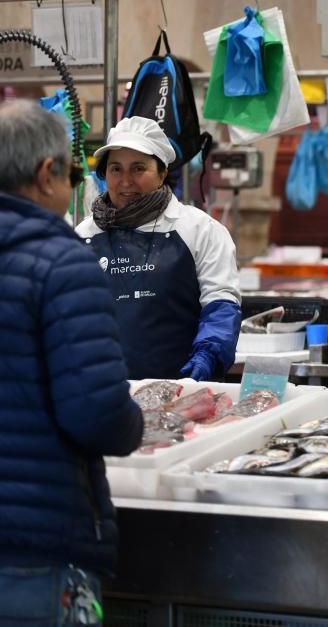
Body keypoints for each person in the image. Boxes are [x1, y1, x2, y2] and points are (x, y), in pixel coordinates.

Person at [0, 101, 144, 624]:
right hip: (34, 550)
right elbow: (98, 415)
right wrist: (138, 423)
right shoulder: (62, 262)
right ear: (46, 174)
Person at [77, 117, 241, 382]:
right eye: (115, 169)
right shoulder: (84, 236)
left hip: (183, 389)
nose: (125, 181)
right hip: (101, 391)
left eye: (138, 168)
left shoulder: (199, 229)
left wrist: (208, 356)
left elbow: (220, 304)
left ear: (162, 173)